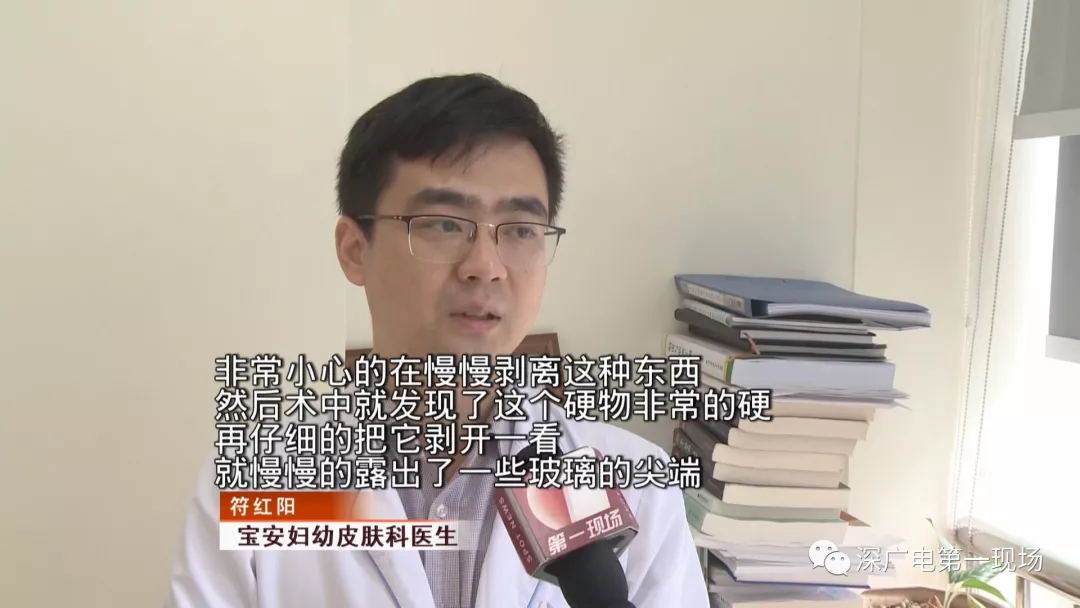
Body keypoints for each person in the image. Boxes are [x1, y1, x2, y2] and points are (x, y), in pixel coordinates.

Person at [166, 73, 710, 608]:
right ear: (355, 250)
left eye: (521, 230)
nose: (486, 266)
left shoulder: (638, 488)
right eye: (445, 223)